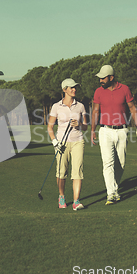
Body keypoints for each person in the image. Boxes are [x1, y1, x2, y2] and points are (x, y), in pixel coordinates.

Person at [90, 65, 137, 205]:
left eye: (103, 77)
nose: (101, 80)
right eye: (100, 78)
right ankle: (111, 194)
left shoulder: (124, 89)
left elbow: (132, 107)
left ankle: (114, 189)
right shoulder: (98, 91)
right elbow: (95, 111)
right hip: (105, 130)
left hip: (122, 130)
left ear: (111, 77)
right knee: (108, 163)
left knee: (121, 163)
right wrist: (92, 130)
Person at [48, 78, 88, 211]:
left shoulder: (80, 106)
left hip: (78, 141)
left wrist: (80, 125)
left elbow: (86, 126)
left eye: (75, 87)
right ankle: (61, 197)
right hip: (61, 143)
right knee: (61, 172)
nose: (74, 89)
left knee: (77, 172)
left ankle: (76, 201)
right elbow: (50, 127)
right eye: (71, 87)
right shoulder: (56, 106)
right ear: (64, 89)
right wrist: (55, 142)